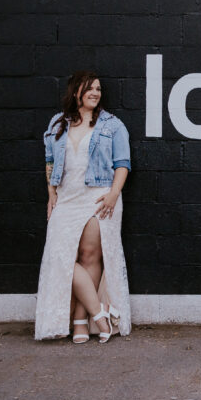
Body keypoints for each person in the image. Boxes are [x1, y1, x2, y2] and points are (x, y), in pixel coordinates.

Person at [35, 71, 132, 343]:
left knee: (89, 256)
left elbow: (123, 163)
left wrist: (114, 193)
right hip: (66, 199)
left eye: (98, 89)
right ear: (75, 92)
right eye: (89, 88)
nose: (95, 93)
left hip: (98, 197)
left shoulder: (112, 125)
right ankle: (99, 314)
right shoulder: (57, 124)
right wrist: (50, 192)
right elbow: (49, 162)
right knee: (61, 254)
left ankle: (80, 322)